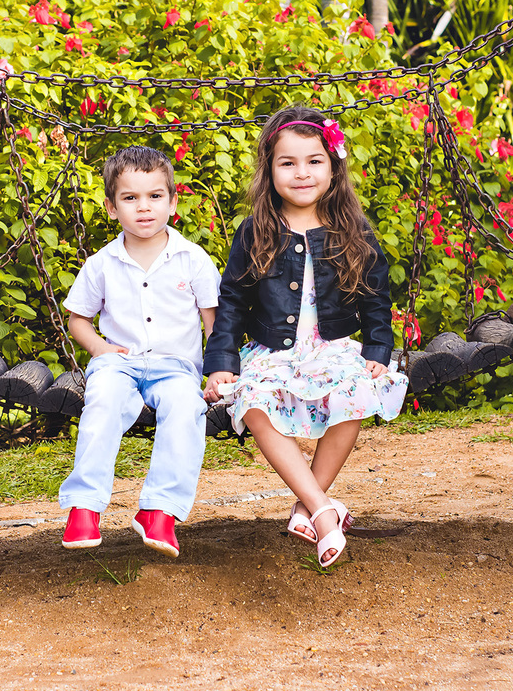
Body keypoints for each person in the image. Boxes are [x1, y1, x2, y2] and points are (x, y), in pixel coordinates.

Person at [203, 107, 408, 568]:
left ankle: (305, 507)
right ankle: (321, 509)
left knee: (356, 390)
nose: (301, 173)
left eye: (314, 161)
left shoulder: (352, 229)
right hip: (272, 350)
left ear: (333, 167)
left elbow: (377, 293)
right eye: (287, 163)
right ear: (269, 170)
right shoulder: (256, 230)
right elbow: (231, 301)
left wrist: (378, 350)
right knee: (254, 402)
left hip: (332, 347)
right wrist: (221, 362)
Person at [58, 145, 221, 558]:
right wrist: (99, 347)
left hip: (176, 369)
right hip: (120, 365)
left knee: (187, 411)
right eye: (130, 198)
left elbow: (214, 323)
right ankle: (84, 507)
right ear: (112, 208)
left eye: (155, 196)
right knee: (102, 403)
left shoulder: (193, 260)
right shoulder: (101, 264)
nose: (143, 208)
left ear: (172, 201)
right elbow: (77, 319)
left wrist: (218, 371)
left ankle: (158, 512)